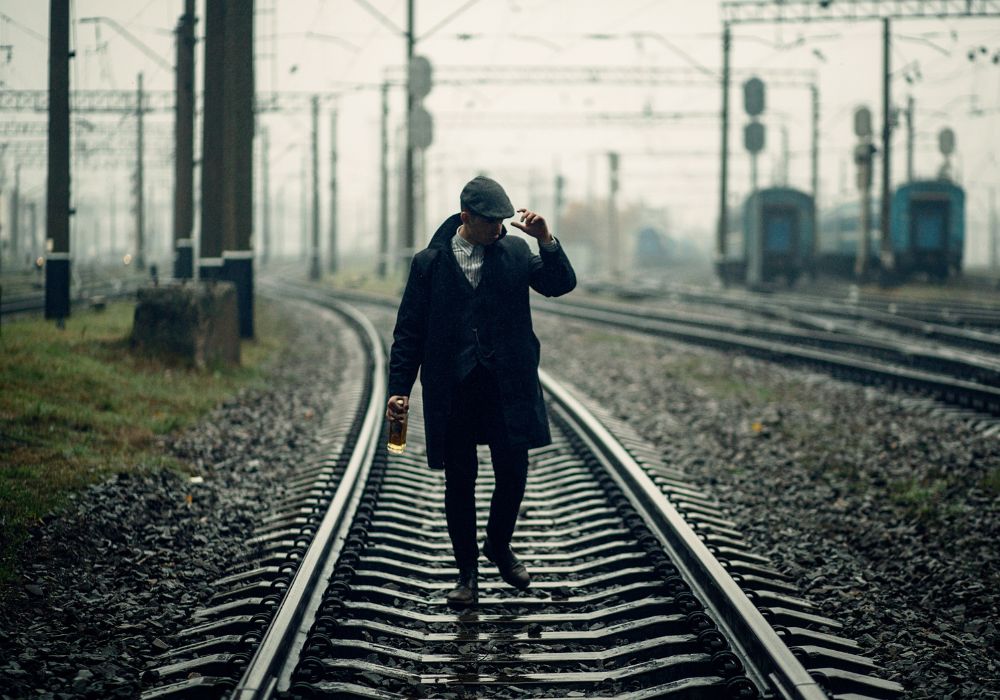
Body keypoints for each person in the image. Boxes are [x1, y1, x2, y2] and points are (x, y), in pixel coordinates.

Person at [386, 175, 577, 609]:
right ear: (466, 217)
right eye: (492, 222)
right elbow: (409, 331)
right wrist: (399, 389)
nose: (500, 229)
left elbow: (559, 283)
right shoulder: (429, 263)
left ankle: (498, 544)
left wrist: (546, 239)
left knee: (513, 470)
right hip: (453, 388)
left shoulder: (513, 251)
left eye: (504, 221)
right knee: (460, 480)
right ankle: (466, 574)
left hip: (507, 383)